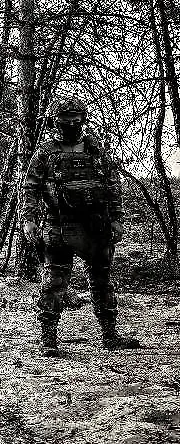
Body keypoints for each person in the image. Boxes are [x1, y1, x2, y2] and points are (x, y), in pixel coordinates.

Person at [21, 97, 141, 357]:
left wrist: (117, 217)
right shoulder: (45, 152)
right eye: (65, 120)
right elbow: (31, 187)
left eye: (76, 119)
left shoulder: (95, 151)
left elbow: (112, 184)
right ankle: (48, 339)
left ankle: (110, 335)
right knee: (54, 283)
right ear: (56, 121)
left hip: (96, 227)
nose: (71, 124)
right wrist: (29, 220)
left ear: (83, 120)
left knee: (102, 281)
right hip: (59, 225)